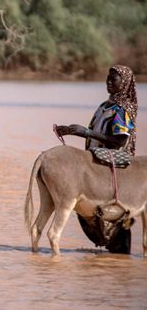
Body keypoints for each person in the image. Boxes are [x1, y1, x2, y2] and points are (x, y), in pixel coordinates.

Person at [54, 65, 137, 254]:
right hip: (97, 164)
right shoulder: (105, 106)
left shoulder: (122, 109)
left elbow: (119, 140)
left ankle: (120, 255)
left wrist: (87, 132)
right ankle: (113, 263)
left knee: (116, 214)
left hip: (113, 168)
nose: (108, 82)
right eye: (107, 78)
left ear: (124, 83)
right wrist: (72, 131)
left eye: (113, 79)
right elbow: (97, 134)